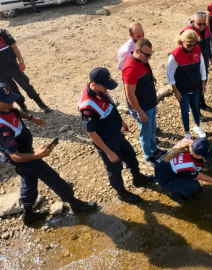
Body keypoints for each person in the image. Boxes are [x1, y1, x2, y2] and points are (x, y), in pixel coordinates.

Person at [0, 83, 96, 225]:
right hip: (23, 158)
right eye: (7, 100)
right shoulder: (2, 127)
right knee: (51, 176)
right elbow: (14, 156)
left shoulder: (7, 108)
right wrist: (37, 156)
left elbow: (14, 111)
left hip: (27, 152)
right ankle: (74, 203)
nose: (11, 102)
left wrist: (32, 118)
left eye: (11, 98)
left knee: (29, 180)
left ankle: (28, 214)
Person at [78, 67, 153, 204]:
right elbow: (91, 132)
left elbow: (110, 106)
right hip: (105, 139)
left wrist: (121, 121)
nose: (107, 89)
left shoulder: (102, 90)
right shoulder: (87, 106)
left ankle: (138, 178)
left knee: (130, 154)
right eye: (105, 86)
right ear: (94, 84)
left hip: (115, 132)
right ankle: (121, 193)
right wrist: (108, 152)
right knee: (114, 167)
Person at [122, 38, 165, 168]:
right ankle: (149, 156)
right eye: (147, 55)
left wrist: (152, 80)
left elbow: (146, 72)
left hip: (149, 103)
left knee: (152, 129)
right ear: (137, 51)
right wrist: (140, 112)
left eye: (151, 54)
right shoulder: (130, 68)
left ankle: (155, 150)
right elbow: (129, 94)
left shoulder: (142, 60)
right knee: (145, 133)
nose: (149, 57)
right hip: (142, 108)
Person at [155, 137, 212, 203]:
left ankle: (180, 180)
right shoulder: (186, 164)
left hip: (165, 168)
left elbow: (204, 147)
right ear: (196, 155)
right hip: (166, 179)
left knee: (195, 169)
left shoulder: (192, 143)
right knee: (195, 186)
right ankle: (174, 191)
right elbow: (201, 176)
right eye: (203, 156)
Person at [167, 30, 207, 139]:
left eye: (194, 45)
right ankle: (187, 131)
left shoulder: (197, 50)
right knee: (184, 110)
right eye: (189, 45)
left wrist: (203, 83)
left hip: (195, 85)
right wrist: (175, 90)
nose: (192, 47)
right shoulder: (174, 55)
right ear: (182, 41)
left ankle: (197, 126)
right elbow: (170, 75)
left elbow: (202, 67)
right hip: (182, 88)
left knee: (195, 106)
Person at [0, 29, 51, 114]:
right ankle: (22, 106)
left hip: (13, 66)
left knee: (26, 85)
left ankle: (41, 104)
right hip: (1, 72)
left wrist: (20, 61)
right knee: (11, 90)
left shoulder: (2, 33)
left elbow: (14, 46)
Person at [181, 11, 212, 115]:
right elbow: (182, 49)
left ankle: (202, 103)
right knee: (195, 87)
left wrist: (210, 56)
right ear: (193, 21)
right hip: (192, 65)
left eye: (204, 23)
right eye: (199, 24)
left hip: (203, 62)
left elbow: (208, 43)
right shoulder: (188, 32)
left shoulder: (206, 28)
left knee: (203, 84)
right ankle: (195, 110)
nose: (202, 26)